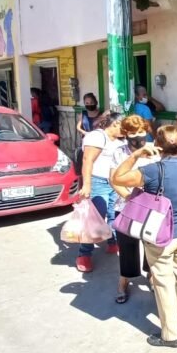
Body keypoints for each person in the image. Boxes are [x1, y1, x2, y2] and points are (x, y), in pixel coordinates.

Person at [111, 126, 177, 348]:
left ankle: (171, 335)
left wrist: (136, 154)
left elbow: (118, 178)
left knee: (163, 282)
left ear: (157, 146)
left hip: (161, 237)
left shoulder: (151, 170)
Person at [109, 115, 157, 303]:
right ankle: (124, 281)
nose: (138, 136)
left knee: (150, 244)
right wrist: (129, 198)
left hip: (150, 208)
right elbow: (113, 179)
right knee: (127, 246)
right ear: (126, 134)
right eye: (132, 133)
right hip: (125, 206)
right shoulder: (119, 152)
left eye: (140, 131)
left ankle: (151, 275)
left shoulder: (154, 150)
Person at [76, 113, 124, 273]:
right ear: (115, 124)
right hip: (98, 182)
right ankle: (84, 254)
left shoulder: (118, 141)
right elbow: (87, 160)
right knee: (95, 218)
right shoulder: (97, 136)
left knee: (113, 214)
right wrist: (87, 185)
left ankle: (112, 243)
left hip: (113, 182)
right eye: (123, 127)